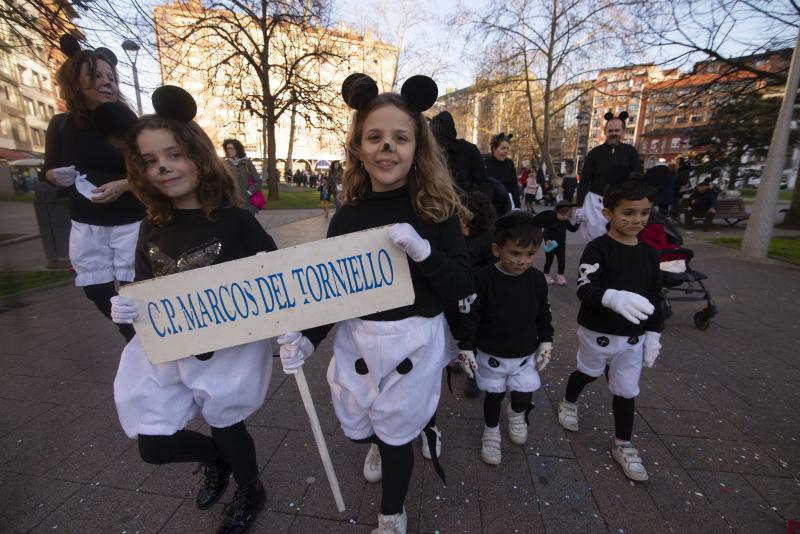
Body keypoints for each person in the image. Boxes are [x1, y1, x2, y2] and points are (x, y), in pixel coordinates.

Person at [276, 73, 472, 534]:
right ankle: (386, 439)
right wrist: (306, 339)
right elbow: (330, 291)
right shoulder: (349, 215)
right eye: (375, 137)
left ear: (416, 147)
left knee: (396, 433)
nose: (387, 147)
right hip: (360, 338)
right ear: (359, 147)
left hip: (416, 340)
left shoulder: (436, 209)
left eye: (400, 138)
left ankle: (391, 512)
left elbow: (461, 282)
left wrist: (425, 252)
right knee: (365, 420)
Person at [104, 86, 277, 534]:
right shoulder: (151, 225)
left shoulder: (236, 221)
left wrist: (289, 332)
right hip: (168, 348)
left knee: (227, 426)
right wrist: (128, 307)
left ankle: (249, 487)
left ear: (198, 157)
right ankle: (215, 459)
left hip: (226, 351)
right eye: (149, 160)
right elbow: (142, 286)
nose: (162, 166)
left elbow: (278, 279)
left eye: (174, 154)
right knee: (153, 445)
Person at [556, 178, 664, 483]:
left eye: (644, 213)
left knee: (627, 390)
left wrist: (654, 332)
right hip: (598, 331)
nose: (637, 220)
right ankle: (569, 401)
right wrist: (611, 297)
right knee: (588, 372)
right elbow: (585, 287)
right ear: (608, 214)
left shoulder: (649, 254)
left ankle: (623, 443)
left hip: (633, 338)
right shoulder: (598, 248)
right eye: (628, 213)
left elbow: (656, 296)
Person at [40, 35, 145, 343]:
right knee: (95, 288)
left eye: (111, 77)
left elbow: (151, 170)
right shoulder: (60, 125)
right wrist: (51, 176)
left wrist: (125, 185)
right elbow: (46, 168)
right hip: (86, 223)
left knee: (136, 286)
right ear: (76, 80)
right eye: (97, 76)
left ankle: (146, 339)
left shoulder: (129, 123)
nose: (106, 82)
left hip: (131, 220)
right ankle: (131, 333)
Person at [455, 211, 554, 466]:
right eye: (515, 253)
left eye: (530, 255)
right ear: (497, 249)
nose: (522, 261)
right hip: (491, 352)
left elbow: (543, 312)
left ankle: (517, 414)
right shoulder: (484, 278)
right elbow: (472, 316)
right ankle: (491, 431)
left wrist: (546, 340)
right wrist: (466, 347)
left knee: (523, 394)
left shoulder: (536, 280)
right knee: (494, 396)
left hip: (524, 351)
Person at [454, 191, 498, 399]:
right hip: (458, 293)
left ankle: (474, 374)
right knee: (458, 329)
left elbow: (492, 270)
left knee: (474, 334)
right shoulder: (457, 236)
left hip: (477, 296)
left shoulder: (488, 240)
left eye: (461, 215)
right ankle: (459, 357)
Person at [577, 112, 643, 242]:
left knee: (619, 239)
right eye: (610, 130)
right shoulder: (594, 153)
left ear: (623, 132)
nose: (614, 133)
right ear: (605, 131)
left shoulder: (630, 152)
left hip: (621, 202)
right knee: (595, 238)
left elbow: (639, 176)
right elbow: (584, 180)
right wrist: (580, 205)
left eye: (617, 130)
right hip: (596, 203)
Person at [430, 110, 488, 193]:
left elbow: (483, 183)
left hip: (466, 202)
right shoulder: (430, 153)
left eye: (440, 141)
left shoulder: (470, 151)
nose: (438, 145)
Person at [533, 200, 581, 286]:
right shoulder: (551, 220)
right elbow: (545, 232)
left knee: (561, 261)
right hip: (551, 246)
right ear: (556, 212)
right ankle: (546, 275)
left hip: (561, 246)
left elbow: (573, 229)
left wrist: (578, 222)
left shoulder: (566, 221)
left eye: (567, 215)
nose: (564, 217)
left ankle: (560, 276)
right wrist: (547, 240)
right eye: (562, 215)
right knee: (549, 261)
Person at [223, 138, 263, 215]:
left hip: (247, 204)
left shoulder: (247, 164)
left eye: (231, 148)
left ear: (237, 149)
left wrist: (249, 193)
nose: (228, 150)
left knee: (247, 226)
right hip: (231, 204)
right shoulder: (225, 165)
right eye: (227, 148)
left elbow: (258, 181)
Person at [484, 133, 521, 209]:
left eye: (507, 148)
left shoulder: (509, 163)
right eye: (503, 148)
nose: (506, 151)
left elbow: (514, 186)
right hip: (490, 205)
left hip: (507, 205)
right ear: (494, 148)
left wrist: (517, 205)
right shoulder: (485, 164)